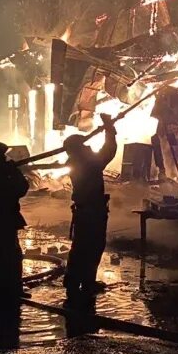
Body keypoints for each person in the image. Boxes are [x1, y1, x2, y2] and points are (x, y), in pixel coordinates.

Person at [62, 113, 117, 303]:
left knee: (81, 247)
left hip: (85, 211)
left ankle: (75, 281)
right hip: (91, 212)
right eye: (85, 146)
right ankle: (85, 283)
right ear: (79, 150)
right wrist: (109, 129)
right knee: (92, 246)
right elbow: (109, 151)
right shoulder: (87, 163)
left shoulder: (78, 162)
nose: (88, 147)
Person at [0, 142, 29, 301]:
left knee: (5, 256)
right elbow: (21, 189)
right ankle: (5, 291)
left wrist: (11, 171)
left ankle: (3, 289)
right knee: (10, 257)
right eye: (3, 156)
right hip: (3, 221)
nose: (6, 157)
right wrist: (15, 172)